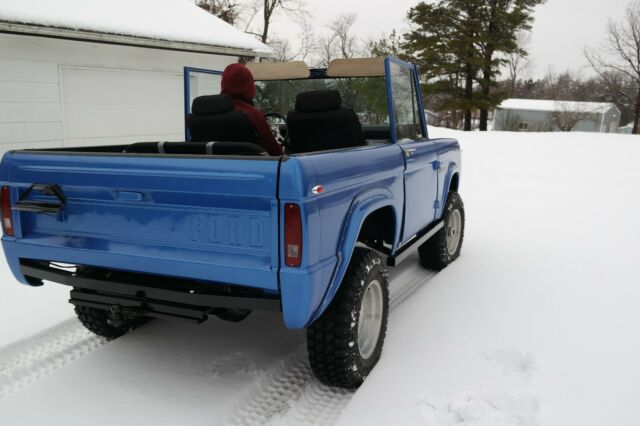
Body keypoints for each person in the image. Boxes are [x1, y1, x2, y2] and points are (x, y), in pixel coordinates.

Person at [220, 63, 283, 156]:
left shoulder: (204, 113)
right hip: (251, 169)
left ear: (223, 83)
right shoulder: (252, 115)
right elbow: (275, 153)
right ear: (248, 86)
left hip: (206, 168)